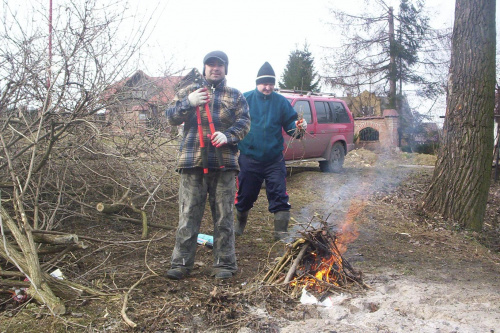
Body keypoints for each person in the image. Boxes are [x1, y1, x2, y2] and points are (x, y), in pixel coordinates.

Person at [165, 51, 250, 280]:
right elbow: (171, 116)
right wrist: (188, 103)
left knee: (224, 216)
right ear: (204, 68)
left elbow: (244, 122)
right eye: (210, 64)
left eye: (220, 65)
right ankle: (181, 263)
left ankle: (224, 264)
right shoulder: (189, 92)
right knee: (188, 215)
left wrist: (229, 136)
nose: (215, 68)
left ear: (226, 69)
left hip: (224, 164)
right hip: (192, 162)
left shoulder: (235, 95)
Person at [235, 62, 307, 240]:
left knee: (279, 193)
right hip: (249, 157)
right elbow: (233, 123)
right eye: (264, 83)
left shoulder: (281, 102)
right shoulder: (245, 100)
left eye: (270, 83)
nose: (267, 87)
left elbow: (290, 125)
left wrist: (299, 127)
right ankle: (237, 227)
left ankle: (281, 233)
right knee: (245, 195)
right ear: (257, 83)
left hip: (274, 159)